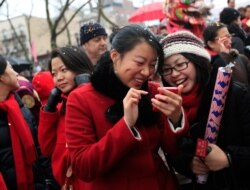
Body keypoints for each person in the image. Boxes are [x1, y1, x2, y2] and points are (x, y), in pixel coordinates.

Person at [65, 24, 189, 190]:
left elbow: (172, 150)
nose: (146, 72)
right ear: (115, 56)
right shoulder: (81, 98)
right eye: (139, 62)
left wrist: (175, 118)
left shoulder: (152, 91)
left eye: (152, 64)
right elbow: (84, 167)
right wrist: (125, 125)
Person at [159, 30, 250, 189]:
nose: (174, 74)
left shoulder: (236, 95)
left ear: (198, 61)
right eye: (166, 69)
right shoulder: (170, 104)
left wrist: (229, 158)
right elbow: (173, 150)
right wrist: (189, 164)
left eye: (180, 64)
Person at [38, 46, 94, 189]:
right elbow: (47, 148)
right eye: (54, 74)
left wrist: (85, 93)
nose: (59, 78)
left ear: (80, 68)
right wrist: (49, 110)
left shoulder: (98, 99)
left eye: (64, 70)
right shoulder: (60, 107)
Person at [0, 55, 45, 189]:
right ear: (2, 77)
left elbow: (39, 148)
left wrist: (49, 182)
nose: (16, 73)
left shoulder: (21, 107)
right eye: (11, 68)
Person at [203, 21, 250, 85]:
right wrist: (224, 56)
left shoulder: (241, 58)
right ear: (211, 44)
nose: (230, 41)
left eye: (229, 36)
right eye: (226, 38)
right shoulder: (207, 65)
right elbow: (229, 83)